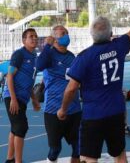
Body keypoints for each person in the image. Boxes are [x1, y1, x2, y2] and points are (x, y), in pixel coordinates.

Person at [57, 7, 130, 163]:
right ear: (111, 34)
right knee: (120, 154)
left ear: (91, 34)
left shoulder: (84, 57)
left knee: (88, 158)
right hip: (116, 112)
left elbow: (71, 89)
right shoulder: (118, 46)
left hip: (93, 115)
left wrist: (63, 109)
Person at [35, 25, 81, 163]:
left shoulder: (72, 57)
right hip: (53, 109)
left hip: (74, 109)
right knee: (55, 149)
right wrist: (46, 46)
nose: (66, 35)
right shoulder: (49, 54)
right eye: (62, 33)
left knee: (78, 147)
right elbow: (39, 66)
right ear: (54, 38)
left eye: (66, 32)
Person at [3, 28, 41, 163]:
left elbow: (29, 81)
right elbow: (9, 76)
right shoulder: (19, 54)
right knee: (21, 127)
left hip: (23, 99)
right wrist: (13, 99)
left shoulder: (35, 58)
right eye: (31, 36)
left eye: (36, 36)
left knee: (15, 129)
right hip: (12, 96)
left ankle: (9, 159)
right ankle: (18, 161)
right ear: (24, 40)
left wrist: (35, 100)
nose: (34, 38)